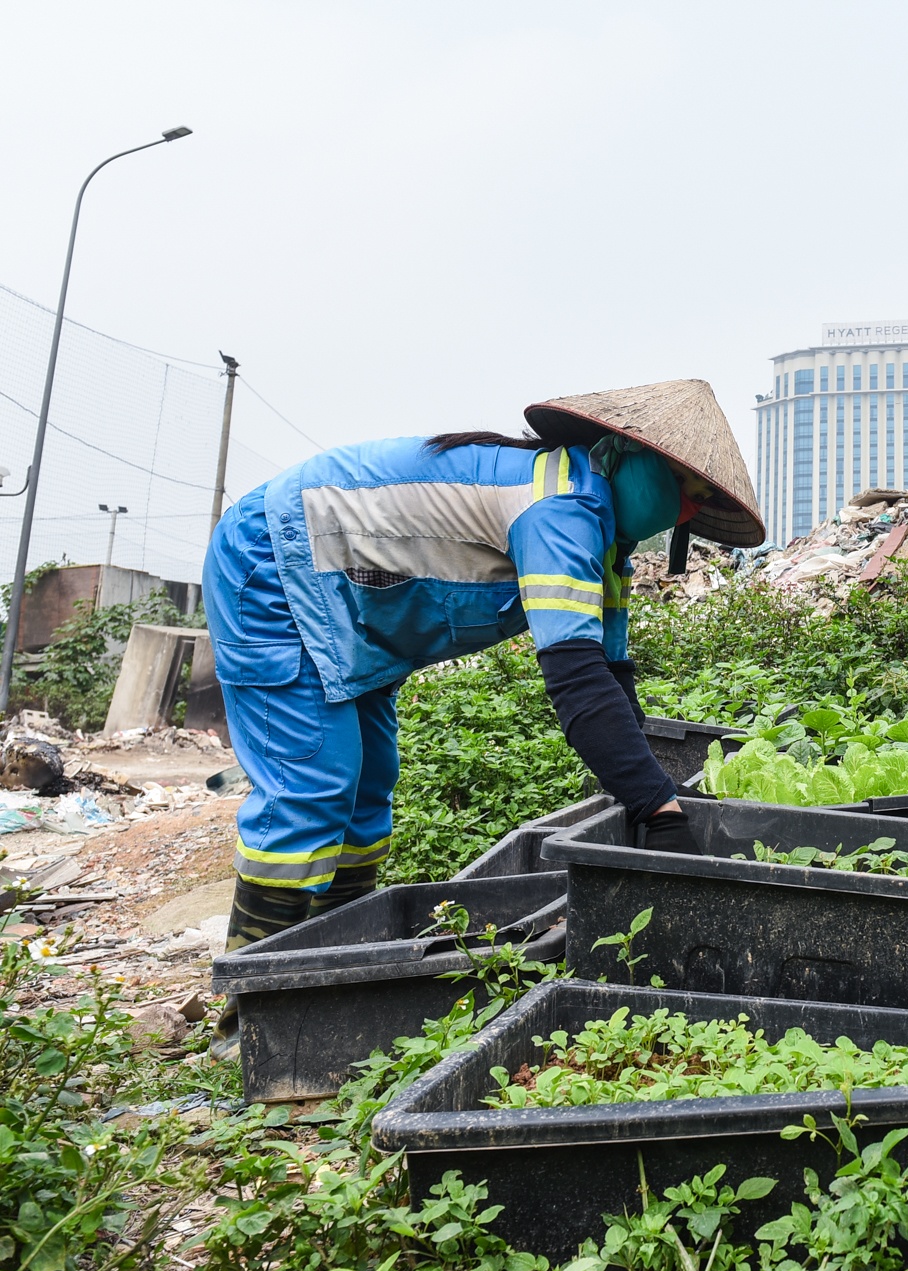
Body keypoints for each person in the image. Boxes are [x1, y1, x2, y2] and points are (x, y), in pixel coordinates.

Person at [203, 378, 764, 956]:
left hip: (351, 610)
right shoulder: (559, 507)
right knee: (313, 787)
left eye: (699, 499)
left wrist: (656, 797)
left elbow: (612, 675)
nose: (688, 508)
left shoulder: (603, 541)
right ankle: (248, 1006)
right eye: (684, 487)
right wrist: (658, 808)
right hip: (278, 560)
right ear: (630, 454)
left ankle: (327, 963)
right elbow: (576, 681)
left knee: (367, 795)